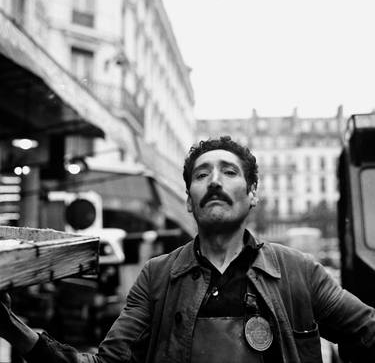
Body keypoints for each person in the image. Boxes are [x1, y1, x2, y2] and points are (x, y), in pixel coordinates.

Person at [1, 135, 375, 363]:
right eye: (201, 175)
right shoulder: (157, 277)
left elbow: (367, 333)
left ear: (253, 194)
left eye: (229, 172)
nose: (214, 181)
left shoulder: (300, 271)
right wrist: (15, 330)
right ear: (188, 201)